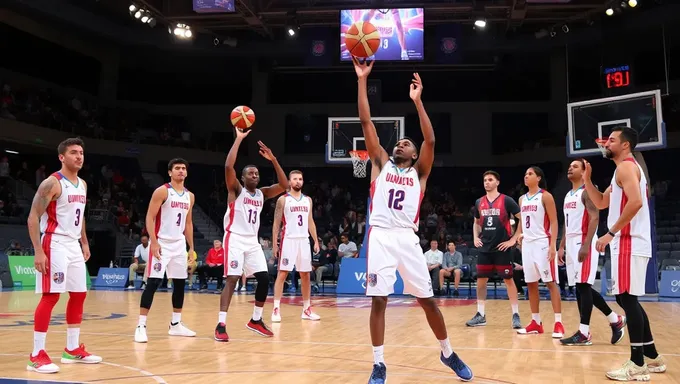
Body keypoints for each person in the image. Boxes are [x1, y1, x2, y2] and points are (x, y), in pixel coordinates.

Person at [353, 57, 472, 383]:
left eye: (408, 143)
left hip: (407, 237)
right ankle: (379, 363)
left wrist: (418, 102)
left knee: (428, 301)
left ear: (415, 155)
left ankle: (447, 352)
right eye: (400, 141)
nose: (401, 143)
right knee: (379, 300)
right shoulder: (380, 163)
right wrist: (363, 79)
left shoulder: (419, 174)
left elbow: (431, 140)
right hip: (380, 236)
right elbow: (366, 124)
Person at [583, 127, 666, 380]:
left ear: (626, 145)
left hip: (630, 241)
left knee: (627, 300)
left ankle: (637, 363)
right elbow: (600, 202)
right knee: (625, 299)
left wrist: (610, 231)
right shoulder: (620, 171)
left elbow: (637, 202)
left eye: (612, 140)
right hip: (627, 242)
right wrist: (587, 178)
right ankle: (652, 356)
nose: (606, 143)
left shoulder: (626, 167)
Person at [26, 138, 102, 373]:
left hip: (73, 245)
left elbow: (80, 216)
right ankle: (36, 354)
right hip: (54, 242)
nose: (79, 156)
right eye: (73, 153)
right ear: (62, 157)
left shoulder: (82, 184)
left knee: (79, 294)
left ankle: (72, 349)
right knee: (51, 297)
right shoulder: (52, 183)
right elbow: (32, 217)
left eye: (81, 153)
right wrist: (38, 251)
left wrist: (85, 242)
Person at [214, 129, 288, 341]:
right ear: (243, 177)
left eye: (256, 173)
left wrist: (273, 159)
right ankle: (221, 325)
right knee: (233, 279)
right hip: (234, 238)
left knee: (264, 279)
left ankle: (255, 320)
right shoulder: (236, 190)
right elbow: (229, 166)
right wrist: (238, 139)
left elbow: (284, 186)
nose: (254, 175)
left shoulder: (262, 194)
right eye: (250, 173)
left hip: (252, 242)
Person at [558, 159, 626, 346]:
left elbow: (595, 217)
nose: (570, 168)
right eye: (569, 166)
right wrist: (562, 246)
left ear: (584, 171)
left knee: (584, 286)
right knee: (580, 288)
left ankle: (584, 333)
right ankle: (615, 320)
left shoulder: (588, 191)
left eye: (575, 166)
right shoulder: (568, 195)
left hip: (583, 240)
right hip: (571, 242)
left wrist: (587, 244)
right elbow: (566, 222)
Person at [134, 158, 196, 343]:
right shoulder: (162, 191)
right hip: (162, 243)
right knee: (153, 282)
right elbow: (150, 217)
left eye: (184, 168)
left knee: (179, 284)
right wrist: (153, 242)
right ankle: (141, 325)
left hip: (179, 244)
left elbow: (188, 223)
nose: (181, 171)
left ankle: (176, 324)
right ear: (170, 172)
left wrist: (191, 247)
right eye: (177, 168)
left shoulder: (189, 196)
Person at [466, 170, 523, 329]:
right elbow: (476, 222)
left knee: (508, 280)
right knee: (481, 281)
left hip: (502, 248)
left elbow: (522, 219)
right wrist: (476, 238)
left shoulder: (507, 200)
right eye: (485, 180)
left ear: (497, 182)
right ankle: (480, 314)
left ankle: (515, 315)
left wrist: (513, 239)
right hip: (485, 248)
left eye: (490, 180)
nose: (487, 182)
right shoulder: (479, 202)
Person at [516, 166, 564, 338]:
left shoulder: (545, 196)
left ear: (538, 178)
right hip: (528, 245)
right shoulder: (522, 199)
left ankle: (558, 323)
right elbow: (523, 221)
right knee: (531, 283)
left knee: (550, 282)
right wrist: (520, 234)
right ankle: (536, 322)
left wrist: (553, 245)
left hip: (543, 243)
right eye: (525, 174)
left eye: (530, 174)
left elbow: (554, 222)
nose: (526, 176)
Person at [271, 170, 321, 322]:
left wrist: (316, 240)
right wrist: (274, 243)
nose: (298, 181)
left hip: (304, 241)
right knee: (283, 273)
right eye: (295, 179)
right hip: (288, 240)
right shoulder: (283, 200)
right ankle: (276, 309)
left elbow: (310, 221)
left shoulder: (308, 200)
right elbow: (276, 223)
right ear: (289, 181)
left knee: (305, 275)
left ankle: (306, 309)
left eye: (300, 179)